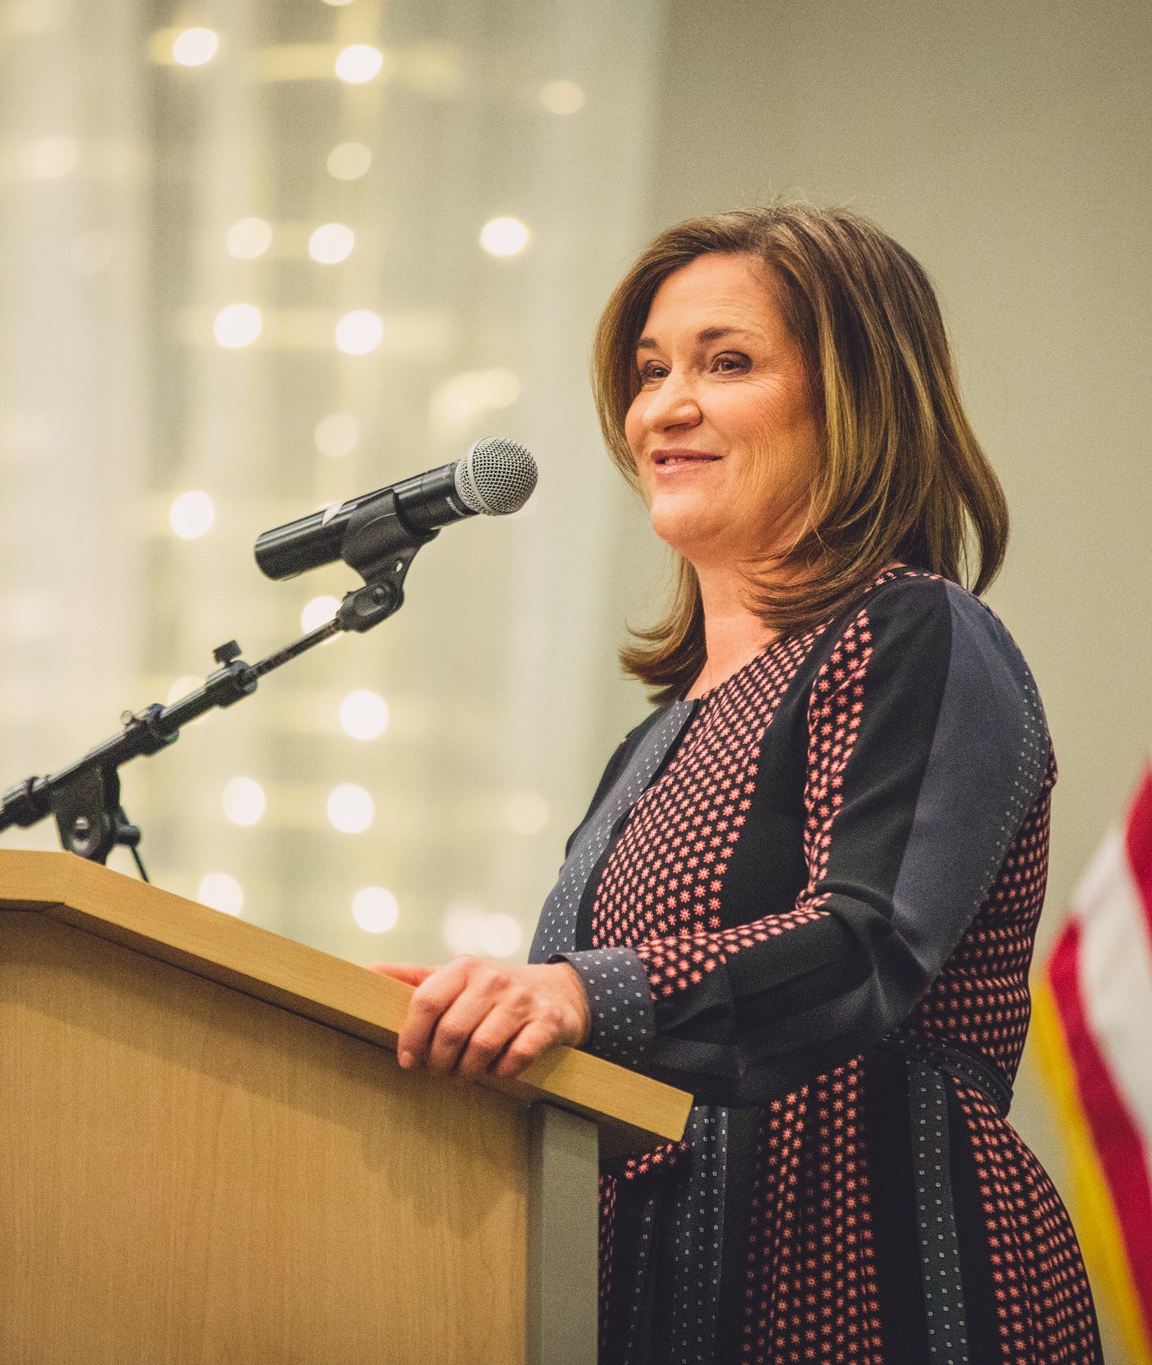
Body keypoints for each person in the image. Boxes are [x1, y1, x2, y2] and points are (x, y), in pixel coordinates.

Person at [374, 203, 1102, 1364]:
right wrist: (470, 1023)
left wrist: (573, 995)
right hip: (650, 1302)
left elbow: (864, 945)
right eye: (649, 370)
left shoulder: (911, 632)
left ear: (854, 399)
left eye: (725, 363)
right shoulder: (651, 743)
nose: (664, 406)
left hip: (867, 1273)